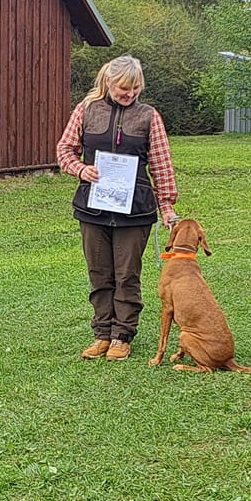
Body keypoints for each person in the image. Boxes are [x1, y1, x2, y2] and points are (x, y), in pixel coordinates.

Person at [55, 55, 180, 361]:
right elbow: (65, 150)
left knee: (127, 275)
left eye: (136, 89)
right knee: (99, 273)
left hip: (135, 212)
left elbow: (161, 165)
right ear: (108, 82)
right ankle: (101, 333)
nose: (130, 94)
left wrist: (167, 207)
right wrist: (80, 170)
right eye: (124, 88)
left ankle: (122, 335)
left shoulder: (149, 116)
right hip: (93, 208)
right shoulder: (85, 110)